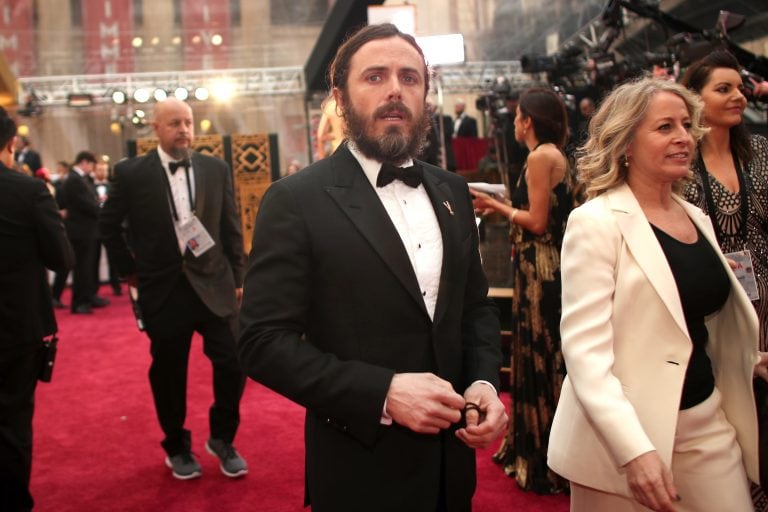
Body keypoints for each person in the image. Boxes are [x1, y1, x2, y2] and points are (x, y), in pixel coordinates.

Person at [238, 23, 507, 511]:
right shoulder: (296, 200)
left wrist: (484, 383)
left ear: (426, 93)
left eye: (409, 77)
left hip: (453, 472)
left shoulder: (452, 192)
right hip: (359, 472)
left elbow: (475, 309)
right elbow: (262, 342)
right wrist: (382, 391)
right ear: (340, 98)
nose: (394, 91)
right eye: (375, 77)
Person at [547, 77, 768, 511]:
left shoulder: (696, 216)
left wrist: (750, 358)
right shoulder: (595, 222)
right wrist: (634, 450)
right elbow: (585, 355)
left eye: (686, 125)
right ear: (626, 143)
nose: (683, 137)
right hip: (623, 438)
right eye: (665, 127)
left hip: (707, 419)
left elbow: (693, 321)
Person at [99, 98, 247, 480]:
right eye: (175, 123)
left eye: (188, 122)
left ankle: (222, 438)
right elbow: (109, 225)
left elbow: (231, 226)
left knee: (233, 361)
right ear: (156, 128)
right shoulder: (131, 173)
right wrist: (129, 271)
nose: (184, 129)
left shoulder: (216, 169)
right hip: (163, 289)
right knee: (169, 372)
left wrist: (239, 279)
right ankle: (177, 447)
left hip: (214, 284)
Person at [470, 87, 572, 494]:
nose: (512, 123)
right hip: (542, 266)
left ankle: (546, 452)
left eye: (516, 117)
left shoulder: (541, 155)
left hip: (543, 267)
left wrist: (496, 207)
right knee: (543, 354)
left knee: (543, 355)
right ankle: (546, 448)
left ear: (527, 120)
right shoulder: (549, 155)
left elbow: (537, 222)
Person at [680, 49, 768, 510]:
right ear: (695, 99)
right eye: (724, 88)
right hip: (712, 307)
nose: (738, 96)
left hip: (766, 299)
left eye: (740, 87)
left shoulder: (762, 155)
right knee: (730, 406)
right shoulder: (679, 163)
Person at [0, 107, 73, 511]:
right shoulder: (27, 191)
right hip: (16, 326)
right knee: (11, 423)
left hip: (17, 327)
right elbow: (62, 259)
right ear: (11, 145)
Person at [62, 150, 108, 314]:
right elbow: (87, 204)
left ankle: (89, 296)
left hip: (88, 230)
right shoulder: (74, 179)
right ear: (84, 163)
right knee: (82, 268)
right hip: (81, 231)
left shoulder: (80, 179)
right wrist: (101, 207)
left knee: (89, 266)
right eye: (92, 165)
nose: (93, 169)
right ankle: (80, 302)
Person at [91, 158, 121, 296]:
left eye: (104, 170)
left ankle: (116, 285)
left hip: (110, 227)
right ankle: (94, 287)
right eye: (99, 169)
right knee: (93, 258)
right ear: (94, 171)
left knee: (113, 257)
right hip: (93, 227)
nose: (102, 172)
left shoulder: (113, 187)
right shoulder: (87, 186)